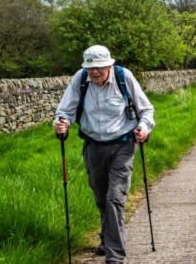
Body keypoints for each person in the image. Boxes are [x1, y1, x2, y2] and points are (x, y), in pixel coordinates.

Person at [53, 45, 154, 264]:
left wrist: (144, 128)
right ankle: (106, 236)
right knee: (101, 197)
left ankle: (114, 255)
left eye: (99, 67)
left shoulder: (123, 77)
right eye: (90, 68)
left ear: (109, 65)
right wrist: (60, 124)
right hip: (93, 147)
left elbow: (146, 110)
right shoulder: (79, 80)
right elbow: (65, 112)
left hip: (123, 145)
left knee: (115, 198)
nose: (94, 72)